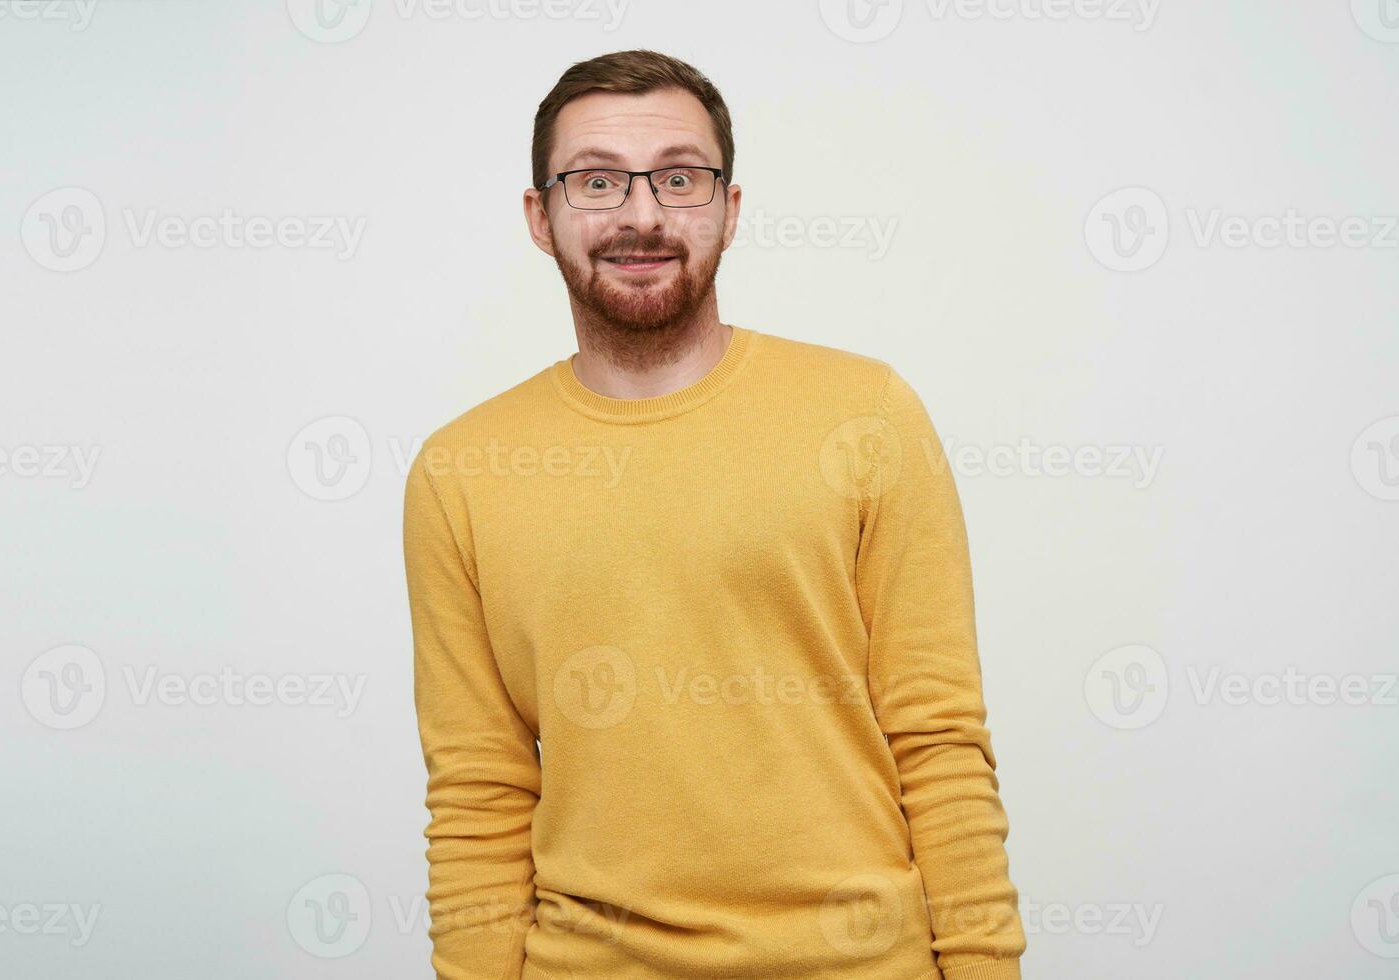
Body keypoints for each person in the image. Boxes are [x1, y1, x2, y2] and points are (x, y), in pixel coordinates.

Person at [402, 48, 1027, 980]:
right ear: (542, 216)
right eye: (597, 181)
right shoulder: (460, 471)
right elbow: (479, 797)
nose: (643, 214)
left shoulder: (867, 415)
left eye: (680, 178)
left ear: (730, 208)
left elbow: (938, 742)